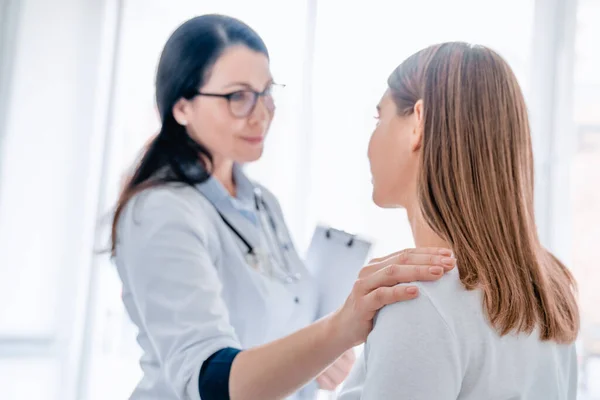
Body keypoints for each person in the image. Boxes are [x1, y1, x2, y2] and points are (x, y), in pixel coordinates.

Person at [111, 15, 457, 400]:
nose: (262, 113)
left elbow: (285, 330)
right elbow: (207, 381)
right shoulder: (161, 212)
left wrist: (323, 354)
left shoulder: (261, 203)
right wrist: (338, 330)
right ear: (182, 108)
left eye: (266, 92)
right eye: (238, 97)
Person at [338, 42, 580, 400]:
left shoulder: (418, 301)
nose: (370, 142)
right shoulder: (548, 289)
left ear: (417, 123)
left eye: (380, 118)